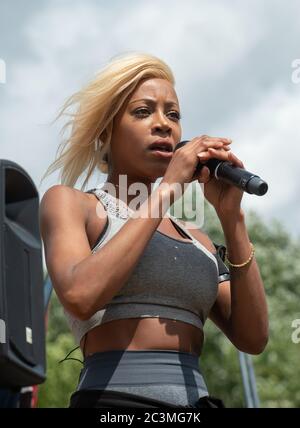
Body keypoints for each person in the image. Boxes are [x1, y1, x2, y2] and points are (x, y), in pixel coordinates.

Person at [39, 52, 269, 408]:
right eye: (143, 111)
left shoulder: (199, 241)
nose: (163, 124)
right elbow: (80, 295)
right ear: (106, 131)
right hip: (114, 403)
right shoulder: (72, 204)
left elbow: (253, 338)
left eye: (173, 114)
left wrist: (231, 218)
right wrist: (166, 191)